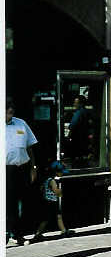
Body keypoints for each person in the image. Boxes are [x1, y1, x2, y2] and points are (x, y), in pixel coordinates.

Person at [6, 101, 38, 245]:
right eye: (7, 109)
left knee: (22, 202)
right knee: (8, 202)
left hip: (22, 168)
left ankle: (18, 234)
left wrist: (33, 168)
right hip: (6, 170)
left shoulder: (21, 124)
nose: (10, 111)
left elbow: (30, 148)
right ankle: (10, 233)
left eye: (11, 108)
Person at [31, 161, 73, 242]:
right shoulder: (52, 181)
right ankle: (37, 234)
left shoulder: (47, 179)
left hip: (47, 201)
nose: (62, 174)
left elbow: (42, 189)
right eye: (61, 172)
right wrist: (60, 191)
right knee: (46, 218)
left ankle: (63, 231)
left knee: (57, 216)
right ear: (56, 172)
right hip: (51, 202)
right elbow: (56, 192)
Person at [67, 95, 94, 165]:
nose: (74, 104)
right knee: (82, 156)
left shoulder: (78, 113)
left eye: (76, 103)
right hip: (84, 138)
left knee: (75, 157)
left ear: (81, 104)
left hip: (77, 138)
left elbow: (72, 125)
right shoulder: (86, 112)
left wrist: (69, 135)